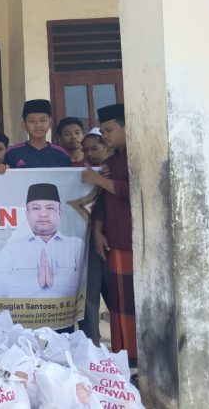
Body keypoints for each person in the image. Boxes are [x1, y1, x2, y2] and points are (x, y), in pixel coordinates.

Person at [82, 103, 136, 365]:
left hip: (136, 243)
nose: (106, 136)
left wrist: (98, 180)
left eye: (110, 130)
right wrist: (97, 230)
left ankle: (138, 355)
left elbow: (134, 190)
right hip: (114, 240)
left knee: (134, 302)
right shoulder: (110, 162)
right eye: (103, 131)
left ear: (127, 127)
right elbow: (102, 202)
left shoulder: (138, 157)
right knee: (118, 304)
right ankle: (124, 355)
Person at [0, 183, 84, 300]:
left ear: (59, 213)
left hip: (65, 312)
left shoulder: (76, 246)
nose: (43, 214)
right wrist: (35, 281)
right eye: (36, 208)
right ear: (27, 214)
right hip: (25, 312)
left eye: (50, 208)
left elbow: (86, 282)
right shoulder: (13, 247)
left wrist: (54, 281)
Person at [77, 127, 111, 345]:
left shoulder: (116, 169)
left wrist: (100, 179)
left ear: (107, 147)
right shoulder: (82, 174)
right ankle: (91, 345)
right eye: (86, 150)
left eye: (94, 148)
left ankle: (127, 345)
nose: (89, 153)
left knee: (118, 296)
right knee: (89, 296)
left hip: (117, 241)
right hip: (88, 241)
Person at [4, 100, 71, 168]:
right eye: (32, 121)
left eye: (43, 120)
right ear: (24, 125)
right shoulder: (12, 153)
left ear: (50, 124)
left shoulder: (61, 154)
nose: (38, 125)